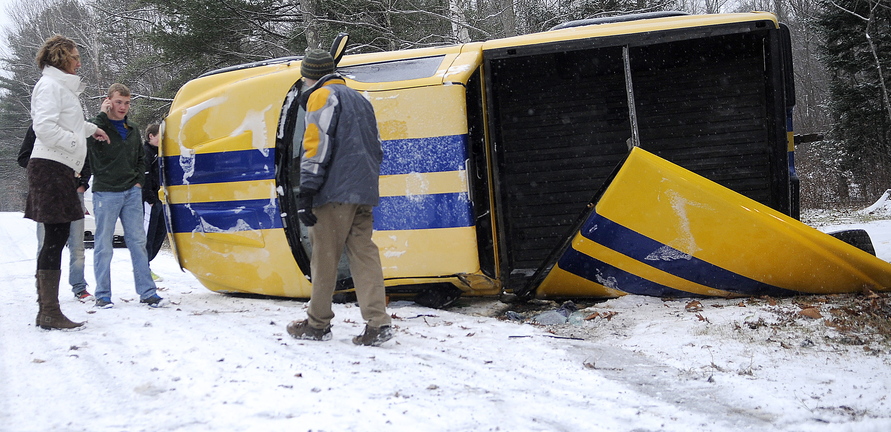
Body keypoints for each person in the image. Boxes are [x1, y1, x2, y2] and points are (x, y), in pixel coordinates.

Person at [286, 49, 393, 346]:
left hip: (333, 192)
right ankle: (378, 322)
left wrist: (307, 190)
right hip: (363, 191)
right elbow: (377, 147)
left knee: (324, 258)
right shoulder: (361, 99)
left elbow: (315, 145)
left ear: (308, 77)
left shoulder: (322, 96)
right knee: (364, 256)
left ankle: (317, 324)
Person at [26, 34, 109, 330]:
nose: (79, 62)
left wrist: (91, 129)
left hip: (58, 167)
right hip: (49, 167)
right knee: (55, 238)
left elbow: (67, 123)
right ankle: (48, 310)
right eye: (75, 57)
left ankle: (48, 310)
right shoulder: (49, 86)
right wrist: (76, 144)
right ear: (61, 57)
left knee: (57, 237)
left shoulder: (60, 87)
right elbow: (45, 128)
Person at [86, 83, 166, 309]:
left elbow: (141, 157)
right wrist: (102, 114)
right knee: (103, 243)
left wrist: (139, 181)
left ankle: (148, 292)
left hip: (132, 192)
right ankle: (102, 294)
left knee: (138, 242)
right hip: (106, 191)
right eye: (118, 102)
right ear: (108, 100)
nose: (123, 107)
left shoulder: (132, 129)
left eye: (127, 103)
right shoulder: (95, 127)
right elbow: (89, 142)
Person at [19, 125, 94, 302]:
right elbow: (23, 158)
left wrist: (83, 183)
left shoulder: (75, 127)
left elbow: (86, 160)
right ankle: (45, 292)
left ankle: (79, 287)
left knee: (77, 244)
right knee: (46, 244)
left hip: (74, 191)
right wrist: (45, 173)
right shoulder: (38, 128)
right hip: (48, 192)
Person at [142, 123, 166, 282]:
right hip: (150, 200)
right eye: (160, 135)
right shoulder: (145, 153)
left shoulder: (162, 153)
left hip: (160, 199)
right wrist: (150, 199)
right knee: (148, 235)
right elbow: (144, 177)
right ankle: (143, 268)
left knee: (160, 232)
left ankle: (146, 263)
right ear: (151, 136)